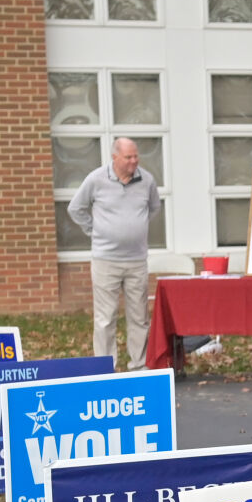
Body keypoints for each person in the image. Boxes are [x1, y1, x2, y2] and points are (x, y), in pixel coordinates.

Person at [67, 137, 160, 369]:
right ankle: (105, 369)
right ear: (114, 157)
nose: (134, 161)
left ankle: (139, 366)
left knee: (139, 317)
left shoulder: (146, 180)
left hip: (136, 261)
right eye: (128, 157)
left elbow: (154, 207)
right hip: (105, 260)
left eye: (136, 156)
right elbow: (75, 208)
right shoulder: (96, 179)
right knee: (105, 318)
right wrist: (96, 231)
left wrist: (133, 228)